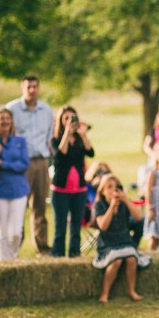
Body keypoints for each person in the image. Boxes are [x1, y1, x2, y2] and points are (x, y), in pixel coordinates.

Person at [7, 75, 54, 256]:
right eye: (29, 87)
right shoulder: (13, 109)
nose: (32, 90)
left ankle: (41, 247)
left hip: (41, 161)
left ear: (39, 88)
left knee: (40, 206)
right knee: (19, 205)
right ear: (22, 87)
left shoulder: (46, 110)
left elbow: (49, 136)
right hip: (21, 164)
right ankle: (14, 246)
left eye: (35, 87)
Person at [93, 174, 147, 303]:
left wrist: (126, 200)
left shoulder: (124, 203)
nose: (113, 191)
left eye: (116, 187)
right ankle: (104, 294)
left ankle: (132, 291)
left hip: (124, 239)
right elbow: (103, 226)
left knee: (131, 259)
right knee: (116, 261)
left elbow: (139, 217)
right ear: (103, 191)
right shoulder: (100, 205)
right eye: (109, 187)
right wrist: (112, 207)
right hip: (108, 243)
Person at [50, 105, 94, 258]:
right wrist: (67, 133)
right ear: (61, 121)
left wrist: (83, 135)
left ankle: (74, 255)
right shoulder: (55, 140)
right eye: (66, 118)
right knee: (60, 226)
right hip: (60, 190)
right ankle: (58, 256)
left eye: (72, 118)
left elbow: (91, 152)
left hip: (79, 190)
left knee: (76, 226)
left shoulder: (80, 140)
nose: (70, 121)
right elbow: (61, 154)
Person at [0, 107, 30, 261]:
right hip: (0, 190)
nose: (5, 121)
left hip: (18, 190)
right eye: (2, 118)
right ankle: (4, 263)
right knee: (3, 231)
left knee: (15, 232)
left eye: (8, 118)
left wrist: (2, 163)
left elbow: (23, 164)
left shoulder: (20, 141)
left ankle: (13, 258)